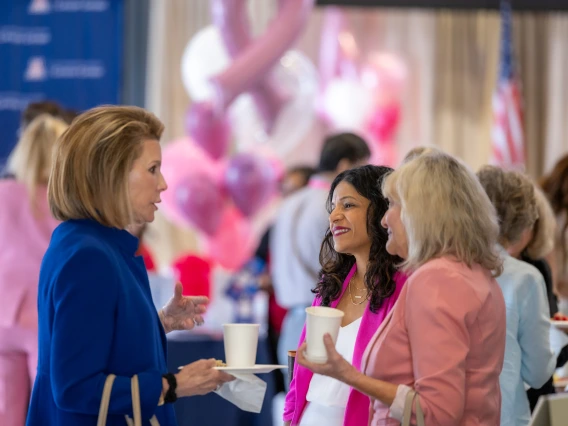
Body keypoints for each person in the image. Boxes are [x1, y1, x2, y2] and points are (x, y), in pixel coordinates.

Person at [25, 106, 233, 426]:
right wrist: (175, 384)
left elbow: (96, 341)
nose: (163, 184)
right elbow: (75, 387)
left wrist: (158, 321)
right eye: (152, 169)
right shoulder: (89, 256)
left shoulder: (88, 242)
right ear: (113, 173)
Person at [296, 150, 506, 425]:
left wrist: (349, 375)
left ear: (423, 214)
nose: (385, 219)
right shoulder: (472, 273)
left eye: (393, 204)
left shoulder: (434, 280)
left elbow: (436, 410)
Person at [284, 165, 406, 426]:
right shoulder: (332, 284)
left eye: (348, 206)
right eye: (333, 208)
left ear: (382, 212)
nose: (334, 216)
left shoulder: (405, 288)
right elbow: (300, 378)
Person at [270, 133, 370, 369]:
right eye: (362, 166)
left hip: (290, 321)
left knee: (293, 401)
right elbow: (343, 266)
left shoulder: (288, 203)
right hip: (324, 321)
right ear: (345, 165)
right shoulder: (335, 204)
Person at [0, 115, 68, 426]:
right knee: (53, 408)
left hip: (4, 313)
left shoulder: (3, 193)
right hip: (46, 316)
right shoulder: (65, 201)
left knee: (6, 411)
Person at [477, 166, 555, 425]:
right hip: (505, 414)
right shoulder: (525, 277)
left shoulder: (443, 267)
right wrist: (556, 338)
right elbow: (538, 374)